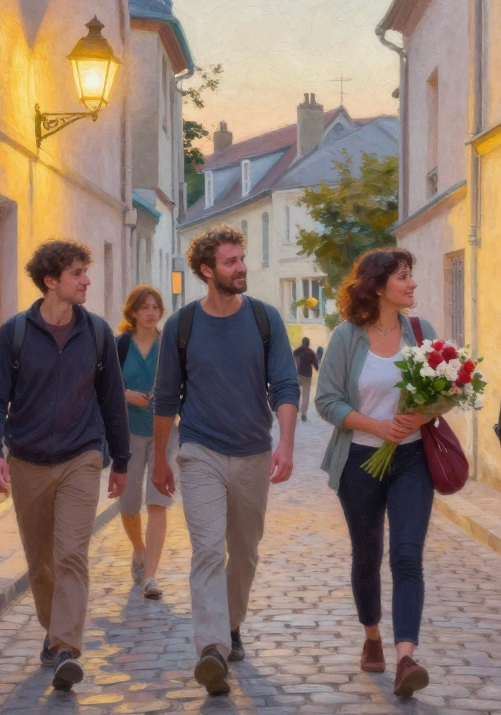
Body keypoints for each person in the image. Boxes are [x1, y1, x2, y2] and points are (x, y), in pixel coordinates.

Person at [0, 240, 130, 692]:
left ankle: (65, 647)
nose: (86, 280)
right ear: (51, 281)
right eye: (78, 273)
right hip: (26, 460)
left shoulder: (97, 333)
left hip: (82, 456)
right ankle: (53, 630)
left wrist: (120, 458)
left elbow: (112, 401)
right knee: (40, 561)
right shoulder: (16, 334)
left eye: (86, 271)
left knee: (71, 554)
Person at [151, 226, 300, 696]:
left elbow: (286, 385)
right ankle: (212, 648)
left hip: (254, 449)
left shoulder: (264, 319)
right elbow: (165, 398)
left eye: (241, 259)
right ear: (206, 271)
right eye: (231, 262)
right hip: (199, 451)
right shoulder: (182, 326)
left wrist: (287, 443)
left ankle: (231, 624)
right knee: (209, 549)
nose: (241, 268)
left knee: (246, 551)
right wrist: (161, 459)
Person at [315, 249, 438, 698]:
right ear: (379, 285)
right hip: (360, 461)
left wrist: (420, 419)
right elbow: (326, 400)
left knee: (407, 556)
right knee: (367, 556)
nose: (412, 284)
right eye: (404, 277)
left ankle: (406, 657)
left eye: (412, 275)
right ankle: (372, 637)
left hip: (411, 461)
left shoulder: (422, 333)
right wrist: (376, 425)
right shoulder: (346, 337)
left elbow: (445, 390)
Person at [114, 285, 175, 599]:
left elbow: (182, 385)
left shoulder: (169, 346)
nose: (152, 312)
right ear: (134, 312)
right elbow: (105, 384)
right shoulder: (120, 345)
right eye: (145, 307)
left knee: (157, 501)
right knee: (128, 502)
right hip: (129, 433)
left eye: (156, 307)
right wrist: (127, 395)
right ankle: (139, 548)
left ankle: (150, 576)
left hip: (165, 434)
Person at [293, 337, 320, 421]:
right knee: (306, 396)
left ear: (302, 342)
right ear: (308, 343)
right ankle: (303, 414)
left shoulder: (299, 350)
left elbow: (293, 353)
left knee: (296, 393)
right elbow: (316, 366)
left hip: (299, 374)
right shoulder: (311, 352)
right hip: (307, 376)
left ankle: (294, 409)